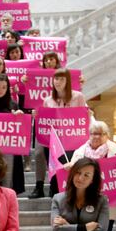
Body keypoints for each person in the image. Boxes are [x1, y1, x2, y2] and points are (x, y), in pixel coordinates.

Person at [66, 120, 116, 231]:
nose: (96, 137)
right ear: (89, 135)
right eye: (93, 133)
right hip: (85, 199)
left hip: (108, 200)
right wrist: (69, 167)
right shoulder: (80, 152)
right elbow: (73, 173)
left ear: (107, 135)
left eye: (100, 134)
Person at [31, 67, 87, 199]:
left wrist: (87, 113)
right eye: (56, 78)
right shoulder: (48, 100)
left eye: (62, 79)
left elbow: (83, 118)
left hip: (72, 141)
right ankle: (53, 188)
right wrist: (37, 116)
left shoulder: (78, 97)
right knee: (53, 166)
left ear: (67, 81)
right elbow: (45, 121)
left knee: (69, 169)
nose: (58, 82)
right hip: (54, 142)